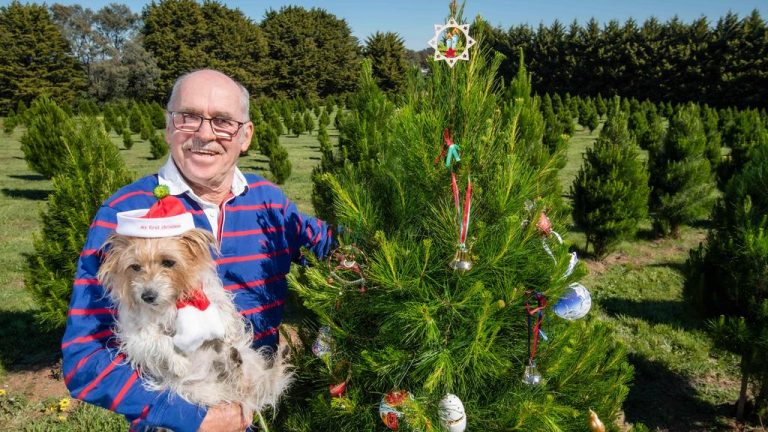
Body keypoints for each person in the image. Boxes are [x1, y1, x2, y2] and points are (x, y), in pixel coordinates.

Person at [61, 69, 334, 432]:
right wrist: (192, 418)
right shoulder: (125, 214)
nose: (204, 133)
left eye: (223, 121)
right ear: (168, 126)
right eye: (188, 117)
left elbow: (335, 249)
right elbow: (83, 356)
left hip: (260, 408)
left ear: (245, 136)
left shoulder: (269, 203)